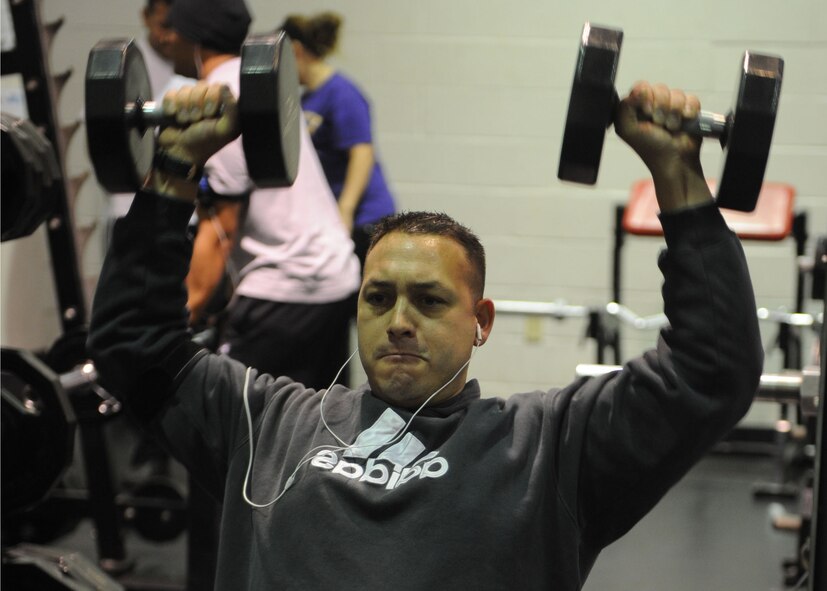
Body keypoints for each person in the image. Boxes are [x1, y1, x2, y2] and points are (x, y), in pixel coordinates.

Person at [88, 77, 763, 589]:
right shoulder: (262, 420)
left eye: (430, 299)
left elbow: (711, 369)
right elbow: (133, 345)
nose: (399, 319)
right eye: (378, 297)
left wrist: (677, 178)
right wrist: (173, 169)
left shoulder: (554, 448)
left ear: (481, 321)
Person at [164, 0, 361, 387]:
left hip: (284, 288)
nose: (167, 39)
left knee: (235, 429)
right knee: (319, 429)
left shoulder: (218, 99)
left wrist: (176, 321)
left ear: (193, 38)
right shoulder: (262, 83)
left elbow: (219, 230)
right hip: (334, 279)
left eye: (173, 30)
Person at [282, 12, 397, 267]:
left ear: (296, 50)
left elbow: (362, 153)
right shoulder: (306, 99)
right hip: (335, 218)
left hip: (364, 220)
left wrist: (345, 210)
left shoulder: (342, 93)